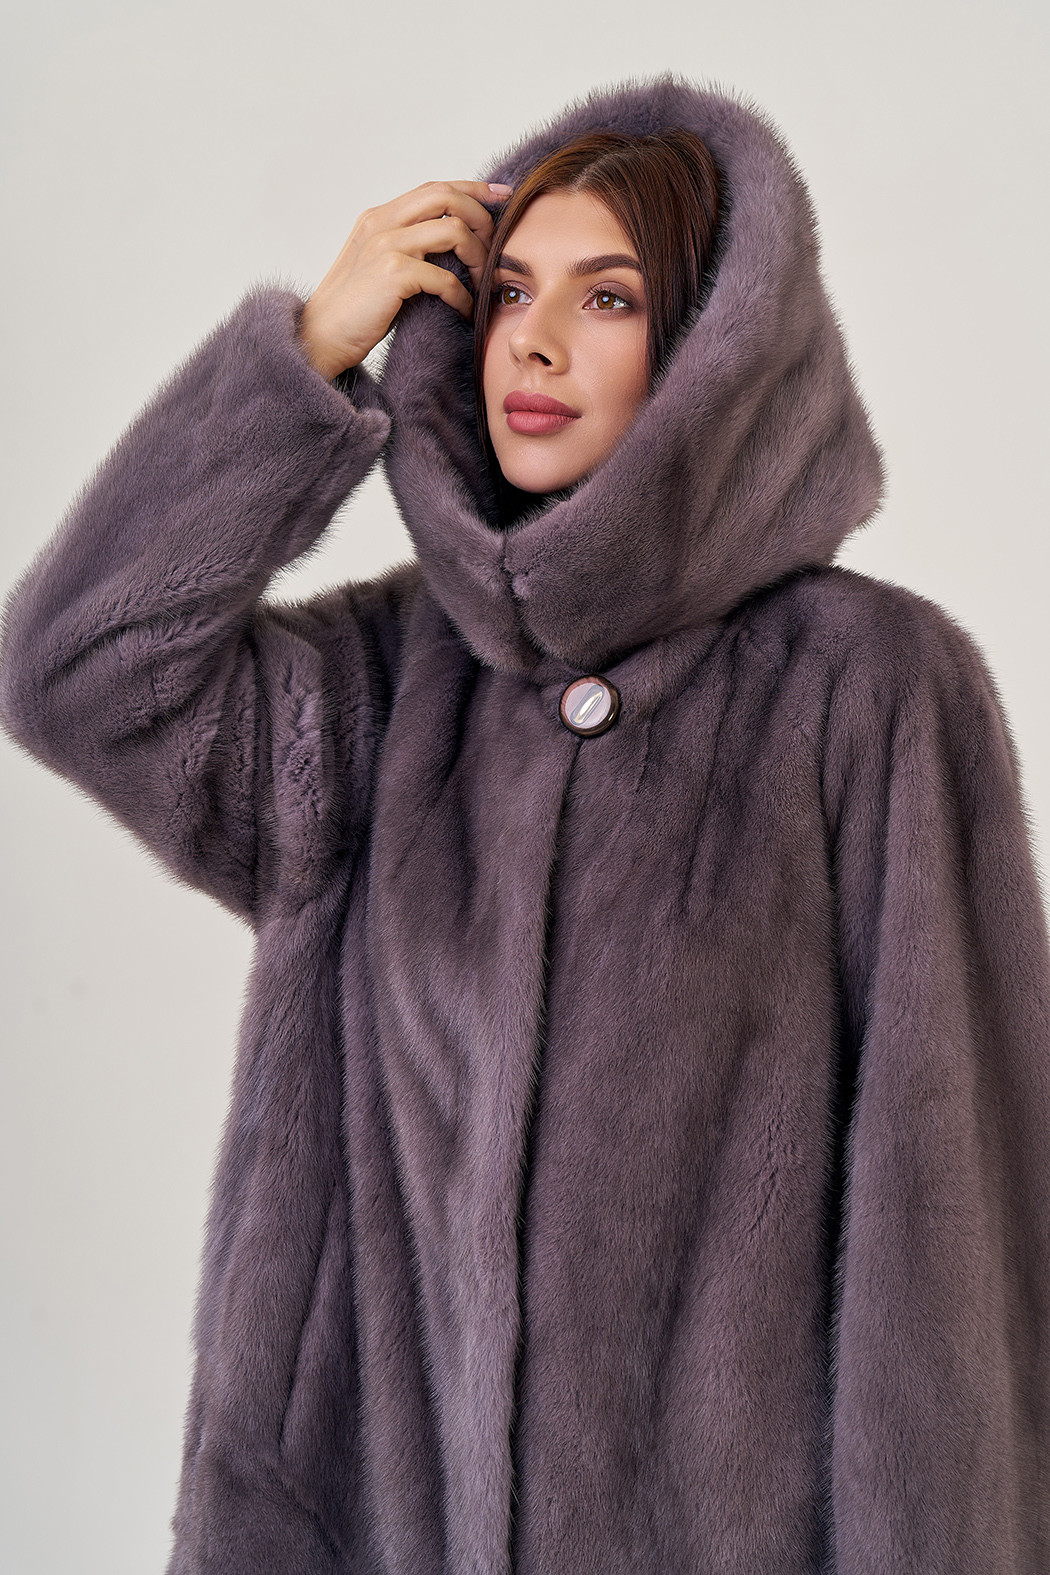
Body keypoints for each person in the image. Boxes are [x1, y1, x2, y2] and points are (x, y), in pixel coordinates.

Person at [1, 73, 1048, 1575]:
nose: (535, 342)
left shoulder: (866, 688)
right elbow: (78, 675)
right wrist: (310, 357)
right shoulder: (379, 688)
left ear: (716, 349)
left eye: (607, 297)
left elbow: (940, 1242)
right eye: (506, 294)